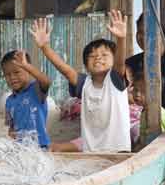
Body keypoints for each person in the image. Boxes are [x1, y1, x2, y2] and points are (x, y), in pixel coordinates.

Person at [30, 10, 131, 153]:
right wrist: (44, 47)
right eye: (92, 56)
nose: (98, 58)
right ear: (86, 65)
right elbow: (65, 69)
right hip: (90, 152)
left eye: (104, 55)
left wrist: (121, 39)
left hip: (118, 151)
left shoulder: (115, 81)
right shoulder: (85, 84)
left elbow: (120, 63)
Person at [126, 13, 165, 115]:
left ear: (164, 35)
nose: (143, 37)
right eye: (140, 32)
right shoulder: (131, 64)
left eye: (149, 32)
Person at [1, 49, 51, 149]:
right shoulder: (9, 101)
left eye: (16, 72)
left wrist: (26, 65)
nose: (12, 77)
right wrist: (11, 137)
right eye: (7, 75)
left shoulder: (36, 90)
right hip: (20, 149)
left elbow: (46, 81)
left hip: (40, 147)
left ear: (28, 71)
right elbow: (11, 127)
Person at [132, 70, 165, 148]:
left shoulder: (158, 114)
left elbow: (161, 142)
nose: (137, 94)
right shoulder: (144, 111)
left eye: (143, 91)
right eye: (136, 90)